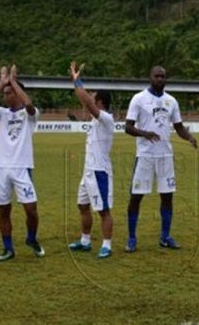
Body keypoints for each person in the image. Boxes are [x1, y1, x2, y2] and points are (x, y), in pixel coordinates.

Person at [124, 66, 198, 252]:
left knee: (167, 197)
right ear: (150, 77)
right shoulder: (139, 99)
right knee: (136, 197)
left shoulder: (171, 101)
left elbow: (179, 127)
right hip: (145, 156)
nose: (160, 79)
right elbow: (128, 127)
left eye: (163, 77)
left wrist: (189, 137)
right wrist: (144, 133)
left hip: (166, 156)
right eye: (157, 76)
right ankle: (132, 238)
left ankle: (165, 236)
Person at [0, 65, 43, 261]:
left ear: (19, 93)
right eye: (5, 93)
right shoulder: (2, 113)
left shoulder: (29, 115)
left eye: (9, 93)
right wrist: (1, 84)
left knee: (31, 210)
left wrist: (14, 82)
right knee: (3, 210)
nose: (5, 96)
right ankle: (8, 248)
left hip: (22, 168)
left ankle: (31, 238)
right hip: (1, 168)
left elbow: (29, 105)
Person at [67, 62, 115, 259]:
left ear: (101, 102)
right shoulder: (95, 120)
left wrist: (76, 79)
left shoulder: (106, 118)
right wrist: (77, 81)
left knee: (103, 210)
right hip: (88, 172)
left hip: (99, 171)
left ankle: (107, 245)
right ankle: (85, 241)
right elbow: (85, 100)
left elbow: (85, 100)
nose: (91, 101)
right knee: (83, 206)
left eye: (95, 98)